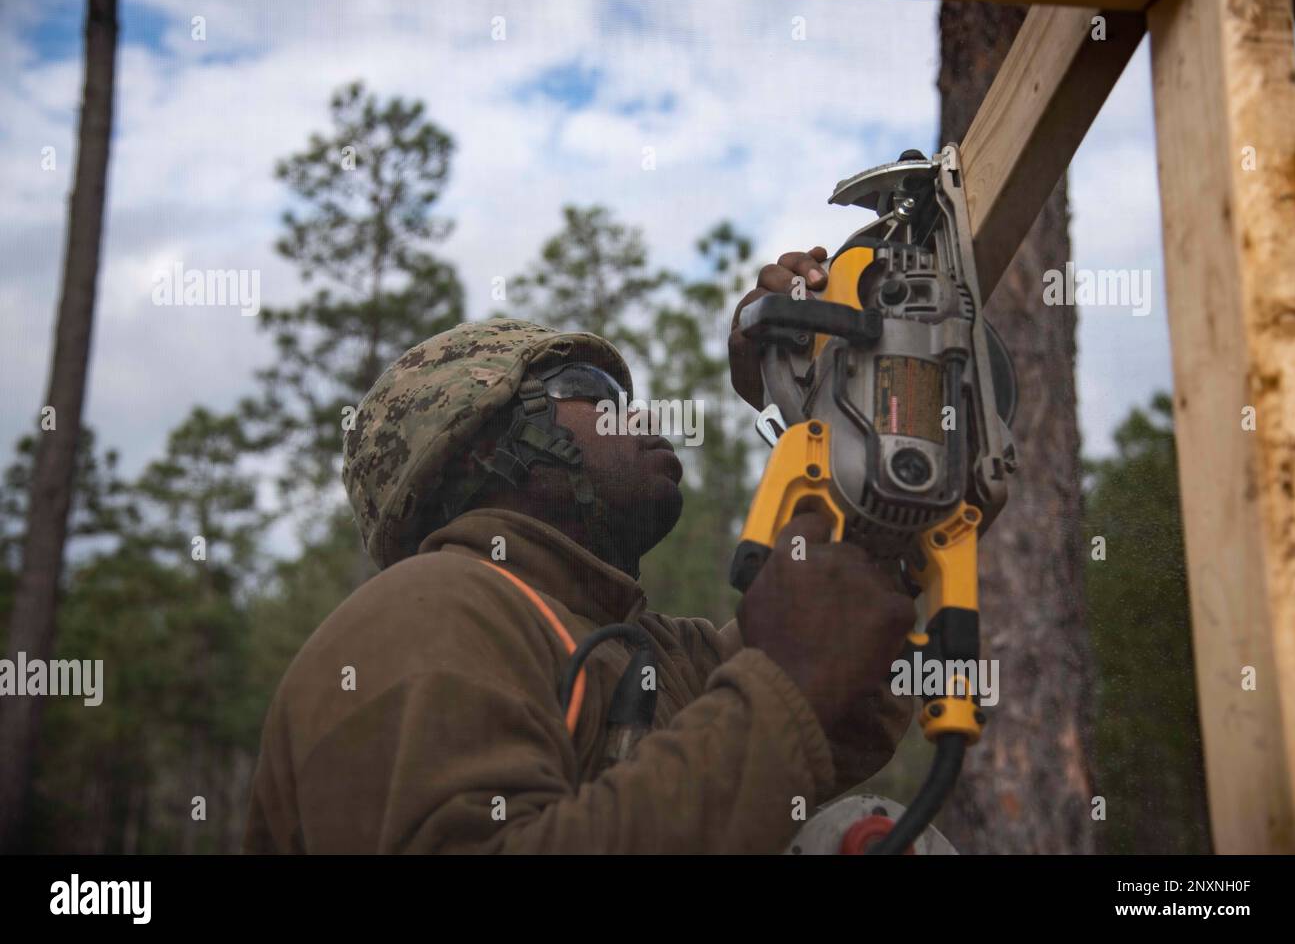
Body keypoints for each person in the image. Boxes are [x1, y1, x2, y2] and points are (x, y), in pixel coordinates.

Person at [243, 249, 917, 853]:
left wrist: (818, 391)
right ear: (482, 448)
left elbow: (851, 647)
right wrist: (783, 687)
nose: (640, 416)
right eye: (596, 394)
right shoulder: (428, 612)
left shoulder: (650, 654)